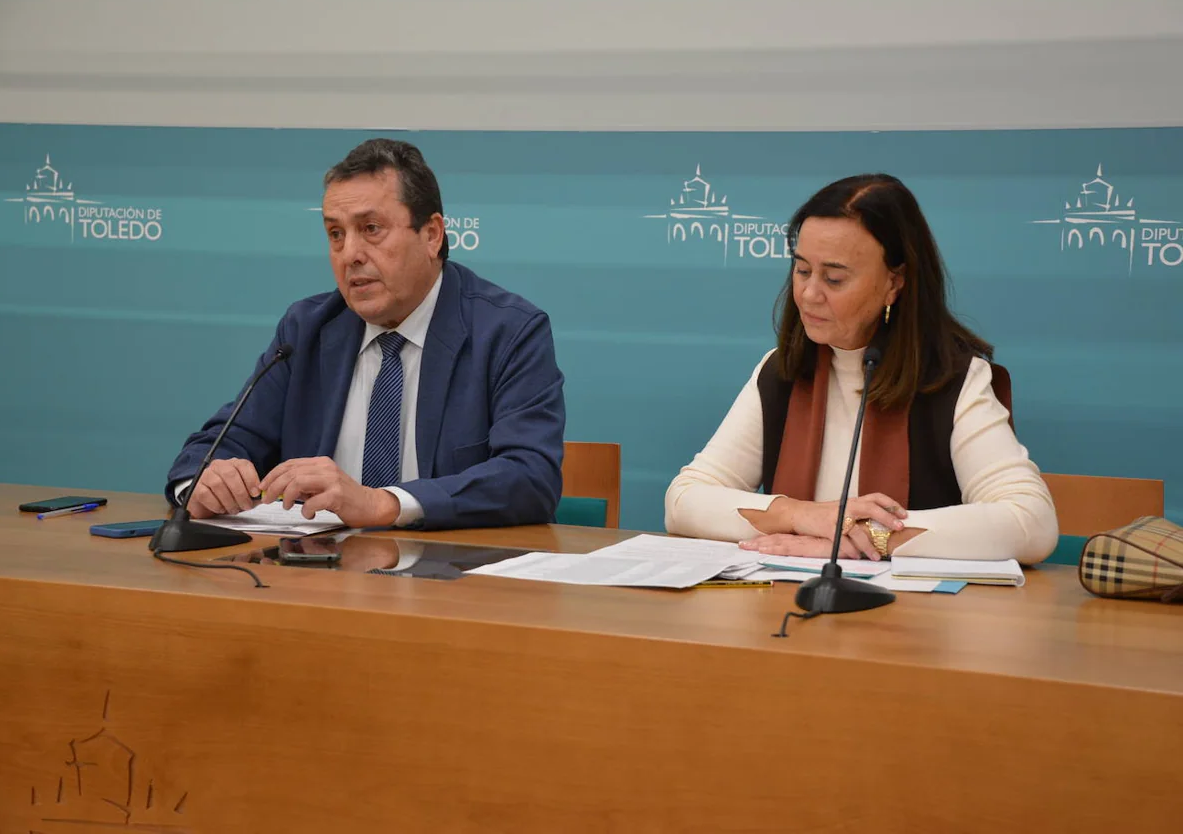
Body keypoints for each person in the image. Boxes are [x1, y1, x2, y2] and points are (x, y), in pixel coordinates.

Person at [165, 138, 565, 530]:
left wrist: (382, 503)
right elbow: (218, 444)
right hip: (319, 578)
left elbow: (530, 477)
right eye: (336, 234)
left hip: (450, 581)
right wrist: (203, 481)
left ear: (431, 235)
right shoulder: (307, 329)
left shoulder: (508, 331)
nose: (349, 253)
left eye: (370, 228)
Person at [664, 174, 1057, 565]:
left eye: (834, 278)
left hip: (917, 620)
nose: (809, 294)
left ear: (895, 282)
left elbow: (1032, 523)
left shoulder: (954, 381)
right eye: (802, 271)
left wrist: (870, 537)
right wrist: (802, 517)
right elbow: (683, 501)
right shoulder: (782, 372)